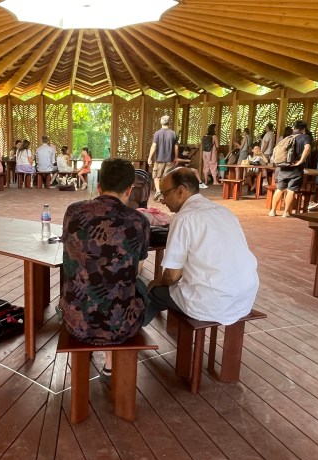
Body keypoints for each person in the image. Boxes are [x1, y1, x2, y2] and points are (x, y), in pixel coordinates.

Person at [60, 159, 151, 379]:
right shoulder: (139, 221)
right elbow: (136, 269)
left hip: (76, 321)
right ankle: (110, 364)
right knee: (135, 286)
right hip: (121, 326)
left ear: (98, 187)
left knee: (86, 281)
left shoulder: (73, 212)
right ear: (129, 190)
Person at [146, 167, 258, 323]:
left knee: (153, 290)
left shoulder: (183, 218)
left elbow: (172, 276)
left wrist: (155, 282)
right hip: (244, 299)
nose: (163, 200)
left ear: (181, 191)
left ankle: (137, 327)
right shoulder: (224, 212)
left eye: (164, 194)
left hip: (209, 304)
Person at [268, 120, 313, 217]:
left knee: (279, 189)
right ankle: (286, 212)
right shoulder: (305, 137)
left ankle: (272, 211)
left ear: (294, 128)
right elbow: (308, 147)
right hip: (296, 167)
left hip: (283, 166)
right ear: (304, 129)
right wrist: (301, 160)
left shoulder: (287, 138)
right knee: (291, 190)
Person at [147, 115, 178, 198]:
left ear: (161, 122)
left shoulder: (157, 133)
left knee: (156, 176)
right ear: (169, 122)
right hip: (170, 159)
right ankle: (165, 192)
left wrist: (149, 157)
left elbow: (154, 146)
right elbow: (176, 147)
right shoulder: (173, 133)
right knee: (167, 176)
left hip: (159, 159)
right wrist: (176, 157)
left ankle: (158, 191)